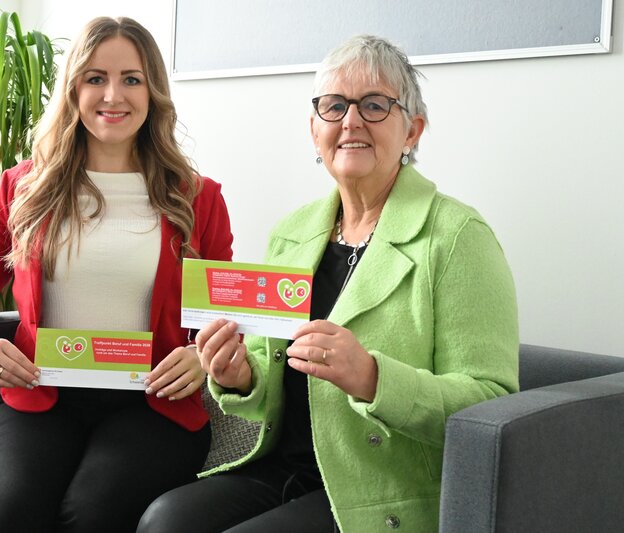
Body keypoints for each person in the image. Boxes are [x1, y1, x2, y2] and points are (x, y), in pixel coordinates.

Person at [138, 35, 518, 533]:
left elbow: (491, 406)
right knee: (164, 520)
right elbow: (266, 374)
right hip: (288, 469)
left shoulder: (457, 236)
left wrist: (373, 378)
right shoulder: (292, 233)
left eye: (375, 105)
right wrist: (239, 376)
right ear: (314, 129)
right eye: (334, 106)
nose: (351, 121)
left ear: (412, 130)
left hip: (380, 486)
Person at [0, 16, 233, 532]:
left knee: (91, 515)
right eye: (95, 78)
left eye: (131, 79)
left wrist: (201, 355)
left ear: (153, 91)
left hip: (152, 406)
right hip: (40, 393)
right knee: (4, 515)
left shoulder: (197, 198)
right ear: (73, 88)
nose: (113, 95)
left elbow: (224, 311)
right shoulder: (22, 189)